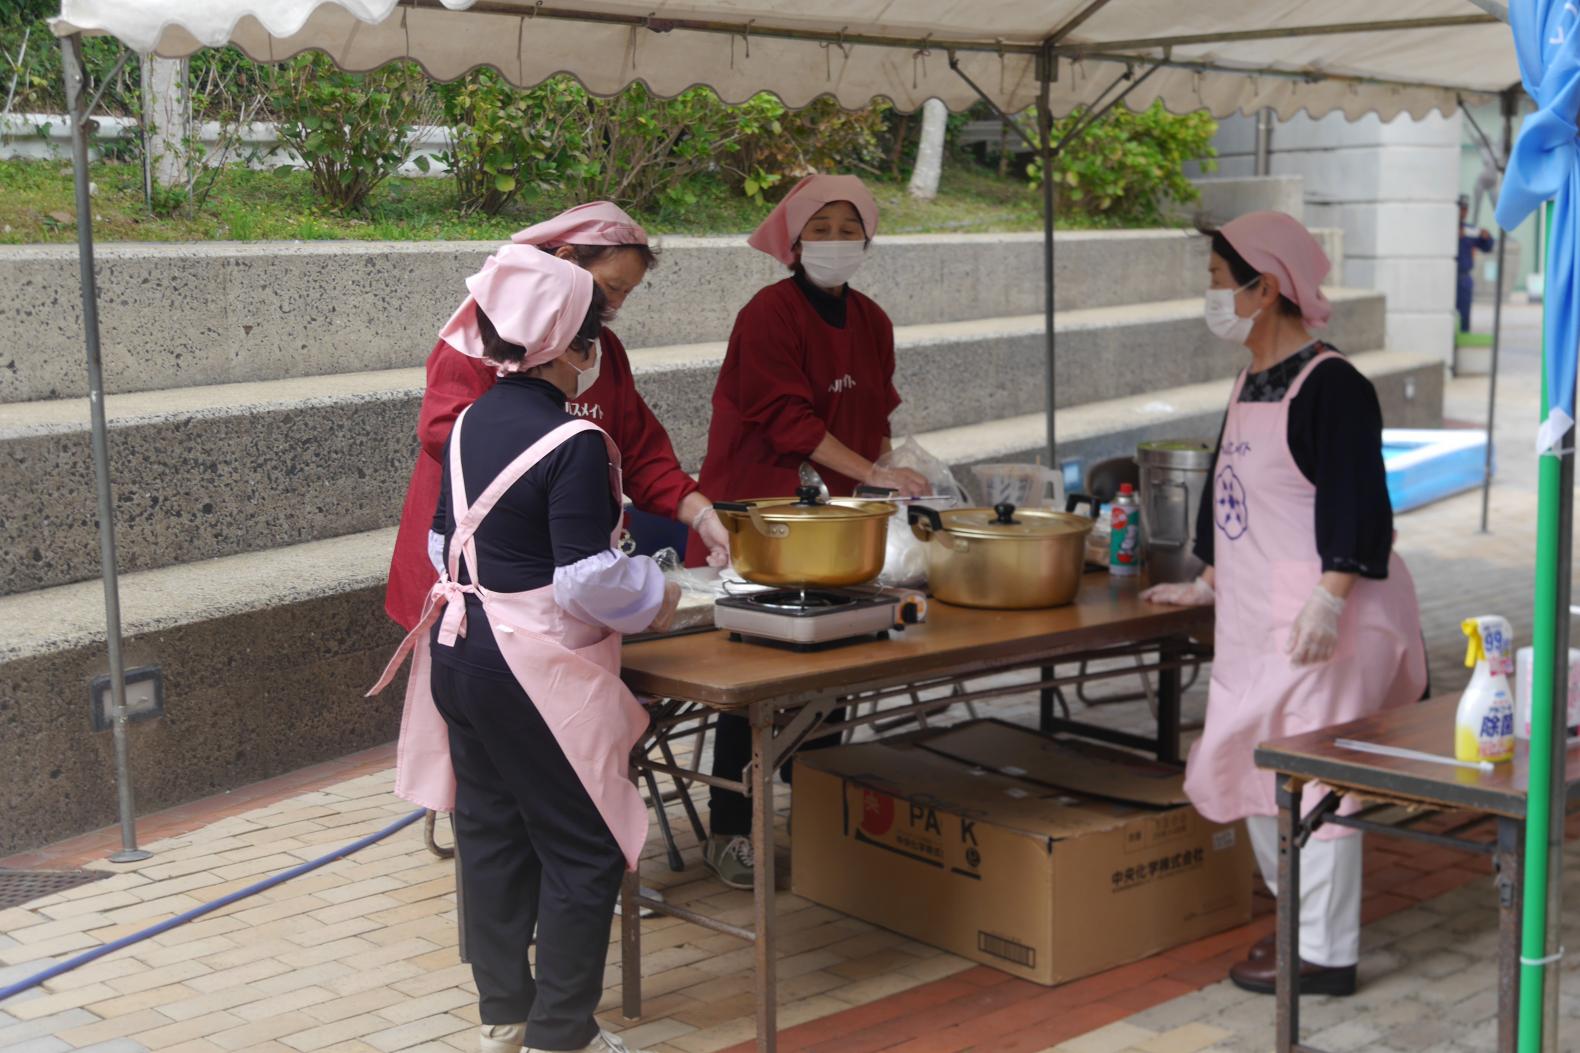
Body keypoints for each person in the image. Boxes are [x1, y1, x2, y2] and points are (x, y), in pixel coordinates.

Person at [368, 246, 676, 1053]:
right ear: (572, 347)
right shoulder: (575, 444)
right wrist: (661, 592)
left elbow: (444, 542)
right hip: (527, 666)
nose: (597, 352)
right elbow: (585, 585)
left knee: (493, 830)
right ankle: (561, 1034)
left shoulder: (470, 421)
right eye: (594, 334)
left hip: (457, 649)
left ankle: (506, 1011)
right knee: (587, 845)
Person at [1142, 211, 1427, 997]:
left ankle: (1324, 954)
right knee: (1249, 764)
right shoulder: (1249, 381)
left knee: (1318, 781)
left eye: (1213, 281)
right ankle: (1297, 925)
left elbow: (1362, 503)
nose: (1210, 296)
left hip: (1321, 623)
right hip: (1252, 621)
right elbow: (1231, 492)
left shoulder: (1333, 385)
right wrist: (1203, 577)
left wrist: (1331, 597)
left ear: (1261, 289)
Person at [687, 173, 927, 890]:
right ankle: (730, 827)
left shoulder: (874, 321)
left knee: (837, 666)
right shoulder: (768, 314)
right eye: (818, 228)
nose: (834, 241)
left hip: (837, 524)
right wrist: (874, 475)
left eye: (846, 227)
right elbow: (788, 421)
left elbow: (874, 415)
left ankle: (818, 810)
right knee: (756, 677)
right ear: (793, 241)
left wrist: (889, 471)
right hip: (763, 519)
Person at [386, 201, 730, 634]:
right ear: (566, 260)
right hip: (477, 564)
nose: (616, 304)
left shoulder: (605, 350)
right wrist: (562, 476)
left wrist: (702, 514)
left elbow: (638, 449)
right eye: (611, 287)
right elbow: (446, 432)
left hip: (561, 571)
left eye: (628, 292)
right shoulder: (482, 336)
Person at [1457, 194, 1495, 333]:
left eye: (1465, 209)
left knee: (1464, 318)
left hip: (1464, 278)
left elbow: (1487, 246)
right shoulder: (1445, 229)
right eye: (1461, 208)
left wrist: (1487, 237)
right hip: (1448, 277)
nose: (1463, 212)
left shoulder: (1469, 230)